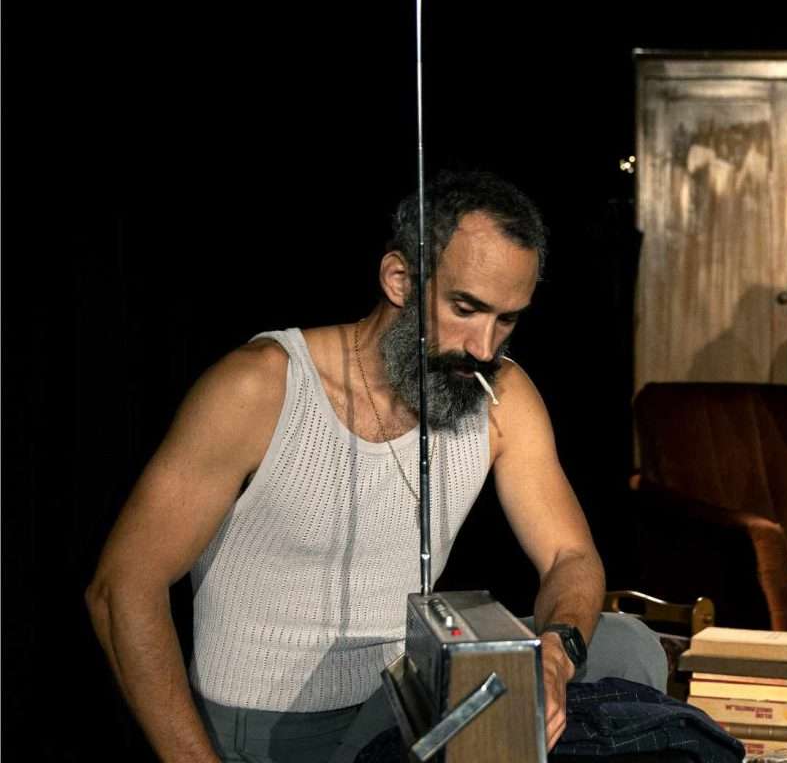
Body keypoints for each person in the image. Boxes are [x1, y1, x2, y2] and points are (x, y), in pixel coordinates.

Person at [86, 171, 667, 762]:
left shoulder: (502, 396)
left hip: (400, 704)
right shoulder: (260, 385)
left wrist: (556, 654)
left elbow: (570, 555)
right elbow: (121, 588)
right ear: (399, 280)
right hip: (272, 730)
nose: (484, 347)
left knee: (625, 644)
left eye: (507, 319)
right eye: (466, 308)